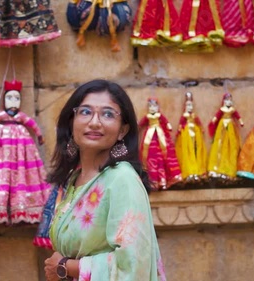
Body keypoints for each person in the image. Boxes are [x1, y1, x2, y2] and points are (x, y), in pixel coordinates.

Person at [44, 79, 166, 281]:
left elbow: (135, 264)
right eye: (85, 112)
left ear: (122, 130)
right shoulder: (75, 179)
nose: (94, 122)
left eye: (108, 114)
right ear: (71, 122)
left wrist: (66, 266)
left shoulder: (121, 179)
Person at [0, 79, 50, 224]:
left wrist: (39, 135)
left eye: (16, 98)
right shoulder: (1, 117)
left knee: (22, 172)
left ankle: (23, 206)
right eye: (9, 98)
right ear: (4, 100)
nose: (13, 102)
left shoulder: (20, 118)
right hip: (1, 145)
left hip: (20, 145)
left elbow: (32, 123)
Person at [138, 96, 181, 190]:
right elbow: (141, 123)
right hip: (149, 137)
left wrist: (168, 125)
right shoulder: (148, 117)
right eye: (151, 107)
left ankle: (162, 180)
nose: (152, 109)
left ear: (157, 108)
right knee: (150, 157)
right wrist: (137, 126)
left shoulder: (159, 116)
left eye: (154, 107)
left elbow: (165, 121)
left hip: (159, 136)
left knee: (162, 157)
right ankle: (153, 181)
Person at [207, 92, 244, 182]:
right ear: (224, 101)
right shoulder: (222, 110)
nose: (228, 102)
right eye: (227, 100)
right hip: (222, 127)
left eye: (230, 100)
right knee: (219, 144)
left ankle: (230, 169)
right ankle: (217, 168)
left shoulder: (232, 110)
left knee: (232, 145)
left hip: (230, 127)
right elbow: (217, 116)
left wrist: (241, 121)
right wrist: (214, 120)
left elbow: (238, 116)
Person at [175, 92, 207, 182]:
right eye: (188, 106)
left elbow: (199, 123)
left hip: (195, 135)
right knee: (187, 152)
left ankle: (198, 170)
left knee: (196, 151)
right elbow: (180, 125)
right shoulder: (184, 116)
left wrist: (201, 129)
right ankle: (189, 171)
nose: (190, 108)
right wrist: (178, 132)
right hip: (186, 136)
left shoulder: (194, 116)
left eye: (191, 106)